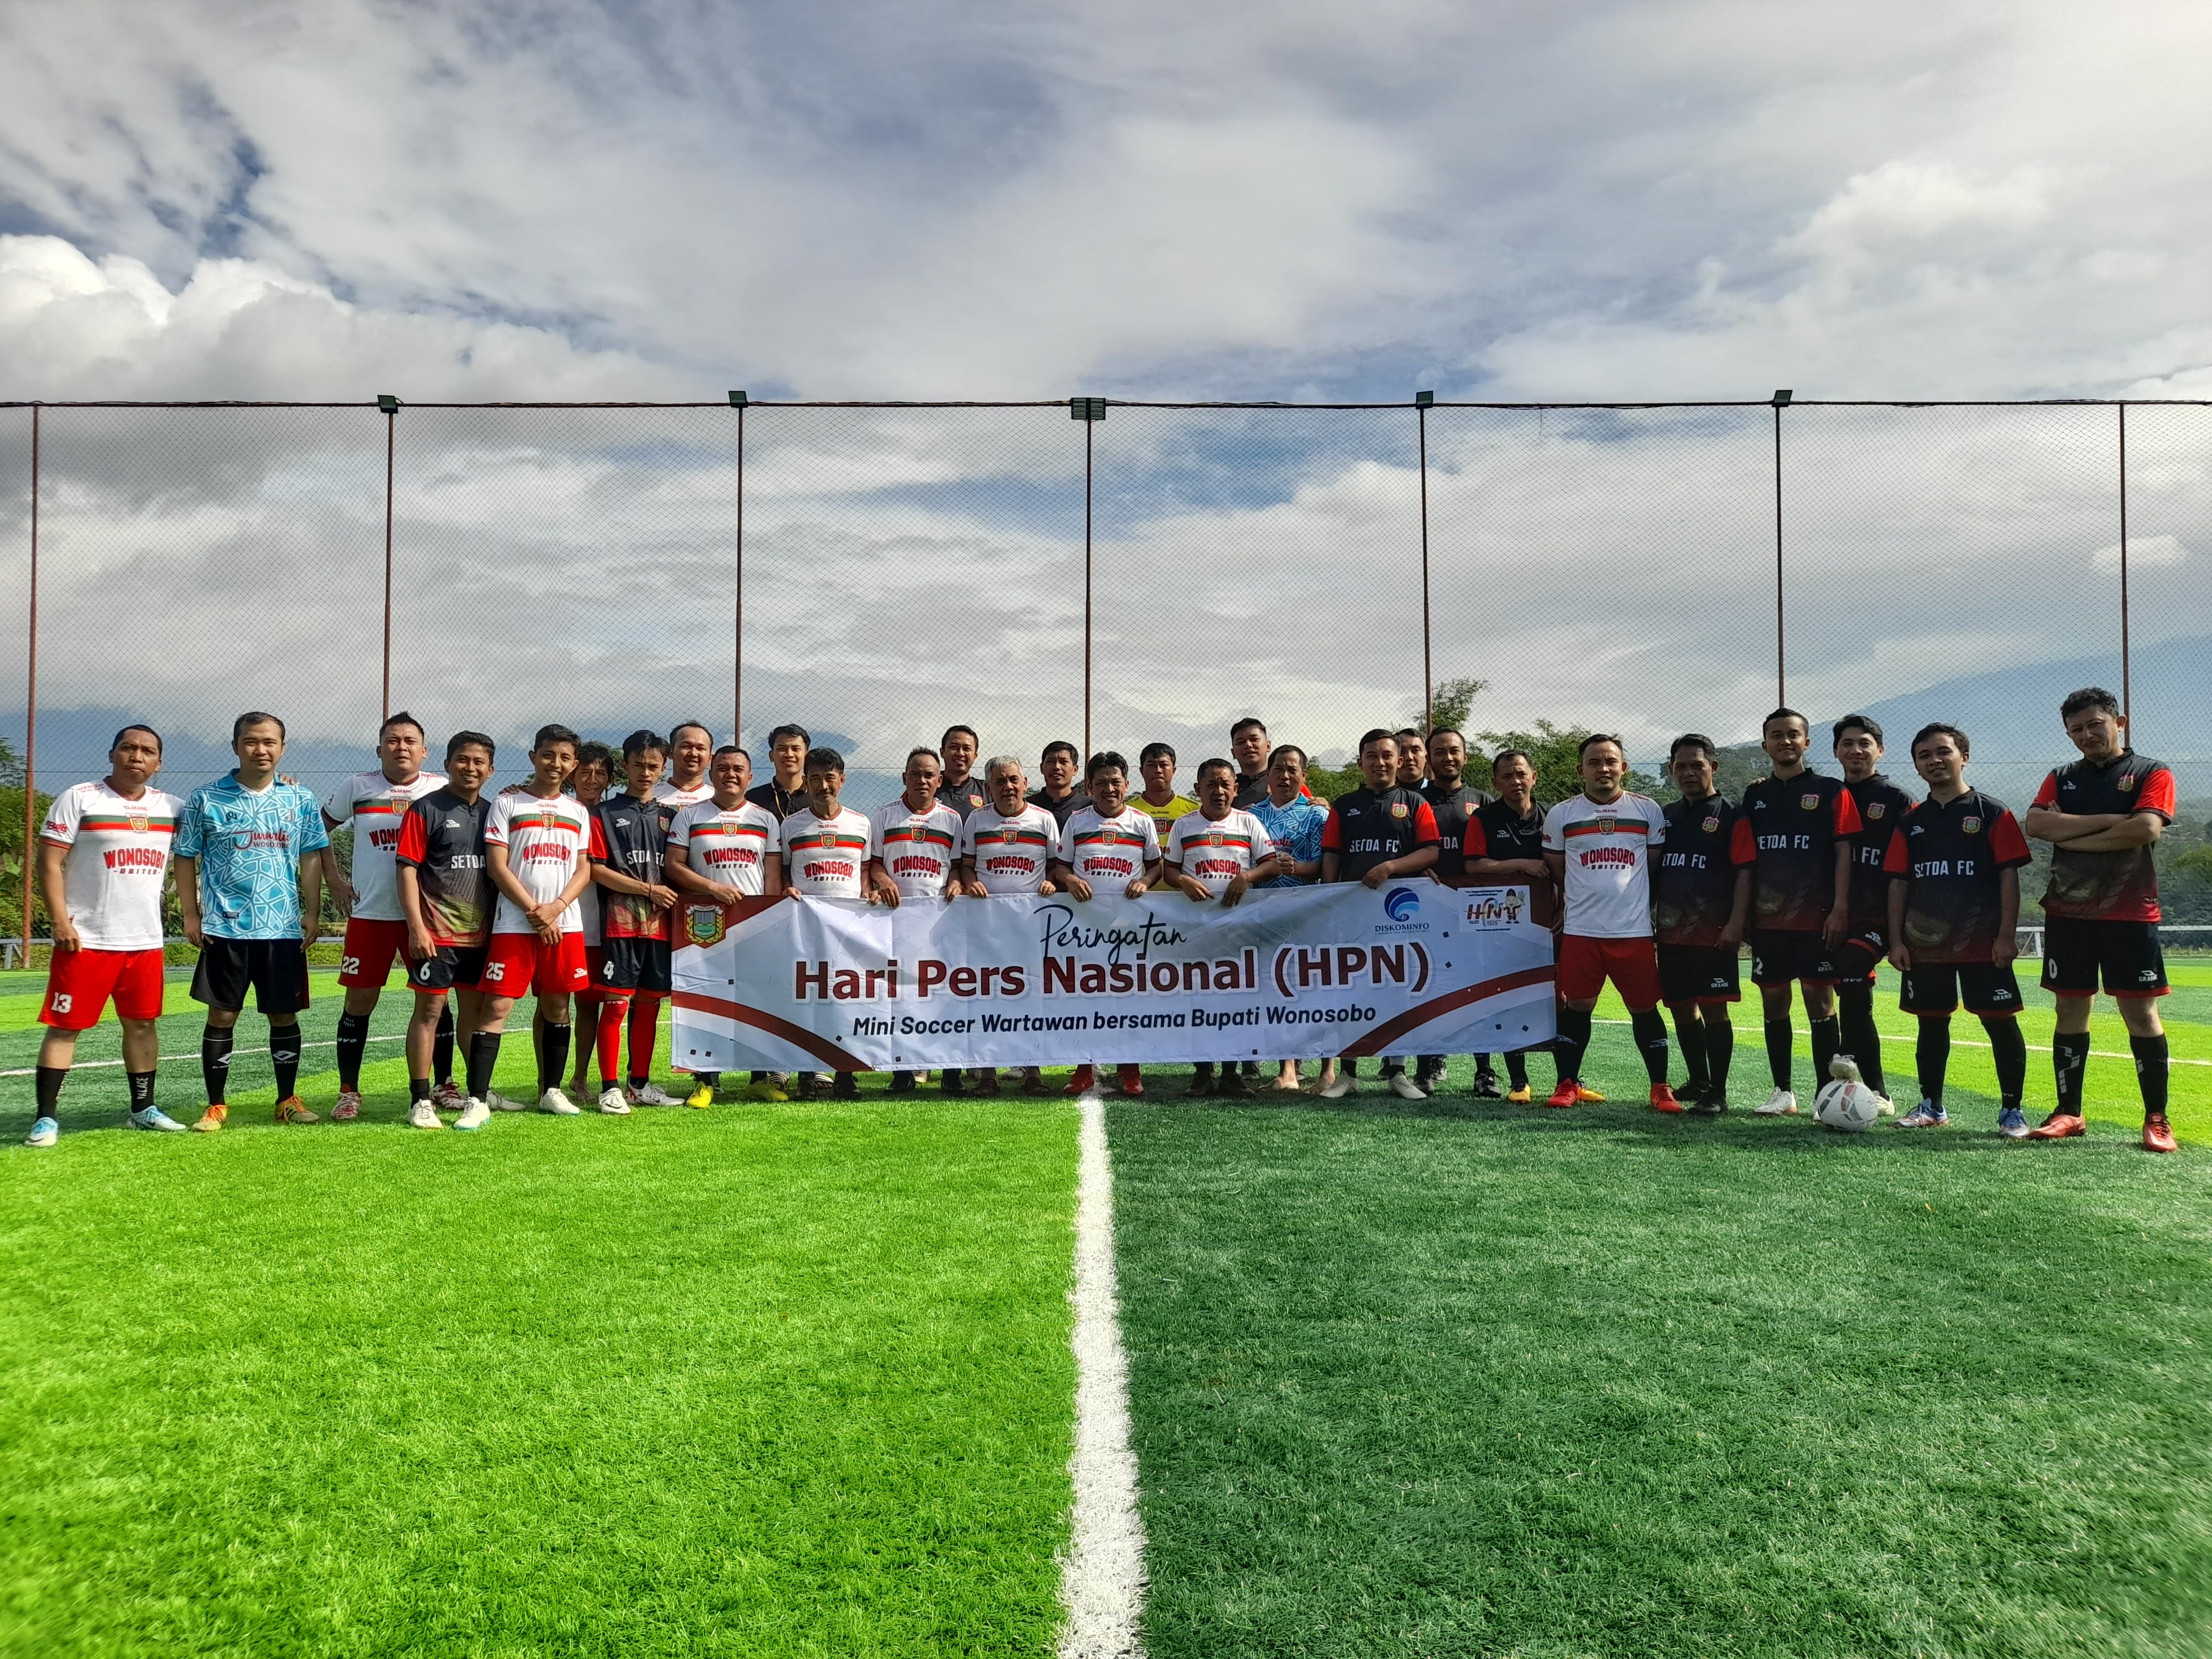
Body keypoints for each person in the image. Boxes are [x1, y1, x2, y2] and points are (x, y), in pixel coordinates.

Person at [2022, 686, 2178, 1151]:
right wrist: (2114, 821)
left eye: (2095, 725)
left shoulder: (2152, 771)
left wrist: (2070, 834)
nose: (2087, 735)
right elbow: (2036, 825)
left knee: (2140, 1013)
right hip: (2068, 911)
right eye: (2077, 729)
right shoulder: (2062, 777)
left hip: (2129, 911)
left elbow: (2145, 828)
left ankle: (2157, 1118)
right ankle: (2069, 1112)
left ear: (2119, 723)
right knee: (2070, 1010)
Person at [26, 725, 190, 1144]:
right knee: (65, 1027)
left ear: (159, 763)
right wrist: (60, 921)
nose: (137, 756)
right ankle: (46, 1118)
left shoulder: (172, 807)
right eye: (128, 748)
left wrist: (281, 783)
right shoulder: (80, 798)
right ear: (112, 754)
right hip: (86, 940)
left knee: (142, 1026)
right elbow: (49, 863)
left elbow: (223, 818)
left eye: (147, 751)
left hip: (144, 941)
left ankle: (143, 1109)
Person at [174, 712, 329, 1131]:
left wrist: (312, 911)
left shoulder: (300, 799)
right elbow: (185, 856)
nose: (260, 750)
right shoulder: (206, 798)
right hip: (225, 928)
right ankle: (216, 1105)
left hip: (282, 928)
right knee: (222, 1016)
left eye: (269, 742)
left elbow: (310, 856)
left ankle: (287, 1100)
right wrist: (191, 913)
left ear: (282, 748)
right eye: (251, 741)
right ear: (236, 746)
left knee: (284, 1015)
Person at [1885, 724, 2033, 1135]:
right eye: (1924, 755)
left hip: (1983, 943)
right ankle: (1931, 1105)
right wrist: (1896, 940)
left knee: (2000, 1022)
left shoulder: (1992, 812)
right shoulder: (1910, 821)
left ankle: (2012, 1111)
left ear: (1963, 757)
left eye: (1943, 752)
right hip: (1925, 946)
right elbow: (1898, 883)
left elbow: (2009, 877)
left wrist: (2007, 936)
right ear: (1917, 766)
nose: (1934, 760)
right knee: (1931, 1023)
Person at [320, 712, 449, 1121]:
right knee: (359, 1002)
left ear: (425, 751)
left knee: (436, 1003)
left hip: (428, 917)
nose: (401, 747)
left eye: (410, 741)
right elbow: (317, 830)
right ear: (380, 749)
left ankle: (444, 1085)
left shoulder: (441, 789)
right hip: (371, 914)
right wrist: (334, 879)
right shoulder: (357, 787)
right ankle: (348, 1092)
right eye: (393, 740)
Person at [1541, 735, 1678, 1112]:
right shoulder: (1562, 814)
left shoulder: (1647, 810)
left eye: (1611, 761)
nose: (1603, 769)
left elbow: (1653, 867)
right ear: (1580, 770)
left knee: (1644, 1008)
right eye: (1594, 762)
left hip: (1633, 932)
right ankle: (1567, 1084)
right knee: (1578, 1006)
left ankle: (1660, 1087)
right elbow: (1557, 868)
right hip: (1582, 932)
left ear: (1624, 767)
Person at [1737, 708, 1861, 1116]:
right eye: (1776, 735)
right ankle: (1782, 1092)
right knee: (1774, 1003)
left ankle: (1824, 1096)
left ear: (1807, 742)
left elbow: (1844, 853)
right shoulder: (1755, 796)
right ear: (1765, 745)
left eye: (1793, 734)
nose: (1785, 741)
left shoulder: (1831, 790)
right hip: (1769, 922)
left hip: (1816, 920)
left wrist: (1840, 908)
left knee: (1820, 1003)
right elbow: (1747, 861)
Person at [471, 724, 593, 1123]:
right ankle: (478, 1099)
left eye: (564, 758)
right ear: (533, 757)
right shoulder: (507, 803)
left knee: (558, 1006)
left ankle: (551, 1092)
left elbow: (583, 870)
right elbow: (497, 867)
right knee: (497, 1007)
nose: (555, 763)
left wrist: (556, 907)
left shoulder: (578, 811)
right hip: (515, 924)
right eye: (548, 755)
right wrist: (535, 912)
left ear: (573, 765)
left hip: (565, 924)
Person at [1317, 730, 1439, 1099]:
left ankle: (1398, 1072)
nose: (1380, 763)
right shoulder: (1344, 806)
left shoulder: (1416, 803)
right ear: (1361, 762)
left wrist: (1390, 867)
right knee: (1351, 990)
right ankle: (1348, 1074)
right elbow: (1332, 856)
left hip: (1401, 914)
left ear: (1399, 761)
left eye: (1387, 756)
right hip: (1353, 913)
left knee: (1399, 990)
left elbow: (1431, 852)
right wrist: (1329, 898)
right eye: (1371, 756)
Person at [666, 745, 785, 1105]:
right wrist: (712, 888)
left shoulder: (766, 819)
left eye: (738, 769)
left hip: (753, 922)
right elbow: (674, 866)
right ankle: (705, 1080)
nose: (730, 774)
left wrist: (770, 918)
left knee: (756, 999)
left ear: (750, 777)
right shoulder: (690, 816)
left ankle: (759, 1078)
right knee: (706, 1000)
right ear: (712, 773)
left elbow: (772, 877)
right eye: (723, 768)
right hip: (705, 921)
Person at [395, 732, 497, 1129]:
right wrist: (416, 927)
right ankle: (420, 1100)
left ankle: (478, 1093)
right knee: (430, 1013)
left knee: (475, 1014)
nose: (470, 768)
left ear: (490, 770)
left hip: (480, 937)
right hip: (436, 936)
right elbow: (407, 869)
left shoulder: (494, 812)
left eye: (479, 762)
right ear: (448, 764)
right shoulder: (426, 809)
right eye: (463, 760)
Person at [1166, 759, 1285, 1097]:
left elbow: (1272, 865)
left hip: (1240, 929)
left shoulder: (1248, 822)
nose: (1218, 791)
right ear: (1198, 790)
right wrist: (1184, 881)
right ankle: (1203, 1073)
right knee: (1199, 1000)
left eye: (1224, 785)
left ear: (1235, 789)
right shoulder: (1184, 825)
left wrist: (1247, 876)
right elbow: (1169, 870)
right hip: (1197, 929)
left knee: (1236, 1000)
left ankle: (1232, 1073)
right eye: (1211, 785)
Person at [1052, 750, 1164, 1100]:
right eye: (1101, 783)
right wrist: (1070, 880)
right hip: (1085, 926)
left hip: (1127, 925)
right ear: (1090, 787)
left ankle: (1130, 1069)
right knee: (1085, 996)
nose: (1109, 789)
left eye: (1115, 782)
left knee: (1127, 997)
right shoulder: (1077, 822)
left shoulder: (1142, 822)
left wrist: (1144, 882)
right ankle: (1084, 1068)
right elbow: (1060, 866)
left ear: (1127, 785)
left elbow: (1156, 866)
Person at [1650, 735, 1752, 1113]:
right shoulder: (1666, 816)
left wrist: (1736, 924)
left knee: (1714, 1010)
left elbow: (1745, 873)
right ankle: (1699, 1081)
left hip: (1713, 934)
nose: (1689, 773)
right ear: (1672, 770)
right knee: (1680, 1007)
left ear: (1714, 767)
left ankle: (1718, 1094)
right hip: (1671, 933)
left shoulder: (1732, 814)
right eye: (1681, 766)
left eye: (1697, 765)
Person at [587, 731, 682, 1113]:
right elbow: (596, 870)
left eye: (653, 766)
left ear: (663, 768)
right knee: (616, 1005)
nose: (645, 772)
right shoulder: (603, 814)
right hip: (620, 923)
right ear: (625, 765)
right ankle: (609, 1088)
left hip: (662, 927)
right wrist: (648, 890)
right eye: (638, 764)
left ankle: (638, 1084)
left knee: (651, 1005)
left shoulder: (672, 817)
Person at [955, 755, 1060, 1095]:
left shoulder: (1044, 820)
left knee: (1031, 997)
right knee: (987, 996)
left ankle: (1033, 1072)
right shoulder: (976, 820)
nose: (1008, 787)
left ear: (1025, 783)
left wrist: (1052, 882)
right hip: (987, 927)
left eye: (1014, 780)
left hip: (1031, 928)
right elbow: (967, 865)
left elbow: (1057, 866)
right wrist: (971, 881)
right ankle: (988, 1073)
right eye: (1000, 782)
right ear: (989, 787)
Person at [780, 747, 879, 1098]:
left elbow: (865, 871)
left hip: (848, 927)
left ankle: (845, 1075)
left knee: (847, 998)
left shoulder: (861, 823)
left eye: (830, 778)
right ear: (806, 782)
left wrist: (868, 893)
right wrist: (787, 889)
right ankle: (807, 1075)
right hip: (806, 927)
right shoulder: (791, 826)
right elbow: (783, 871)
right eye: (816, 778)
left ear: (843, 780)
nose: (824, 785)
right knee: (808, 999)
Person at [1462, 749, 1557, 1103]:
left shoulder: (1553, 816)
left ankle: (1568, 1080)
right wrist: (1521, 864)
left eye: (1521, 774)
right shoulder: (1484, 818)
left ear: (1534, 777)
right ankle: (1520, 1083)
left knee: (1562, 999)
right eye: (1507, 776)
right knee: (1508, 999)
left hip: (1553, 921)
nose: (1515, 781)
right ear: (1495, 783)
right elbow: (1473, 865)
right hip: (1502, 925)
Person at [867, 746, 963, 1093]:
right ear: (904, 778)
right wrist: (883, 881)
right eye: (915, 774)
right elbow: (874, 863)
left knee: (945, 994)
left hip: (940, 921)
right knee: (901, 995)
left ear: (939, 781)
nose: (922, 780)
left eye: (929, 775)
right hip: (897, 921)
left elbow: (957, 866)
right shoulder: (884, 816)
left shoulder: (952, 819)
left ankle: (951, 1073)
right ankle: (903, 1072)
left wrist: (956, 882)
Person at [1832, 714, 1913, 1113]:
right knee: (1854, 994)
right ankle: (1879, 1093)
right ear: (1836, 752)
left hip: (1879, 916)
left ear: (1880, 750)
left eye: (1864, 743)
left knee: (1852, 967)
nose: (1856, 751)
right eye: (1847, 744)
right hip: (1833, 914)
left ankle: (1846, 1052)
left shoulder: (1897, 799)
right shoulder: (1829, 795)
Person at [1248, 744, 1329, 1091]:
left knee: (1316, 989)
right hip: (1265, 915)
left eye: (1292, 770)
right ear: (1268, 775)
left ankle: (1328, 1070)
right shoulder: (1252, 816)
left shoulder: (1317, 815)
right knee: (1277, 989)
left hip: (1307, 913)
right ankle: (1288, 1071)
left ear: (1303, 776)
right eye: (1278, 769)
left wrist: (1297, 868)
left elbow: (1326, 865)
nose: (1284, 776)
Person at [1413, 728, 1485, 1093]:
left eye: (1454, 751)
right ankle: (1425, 1067)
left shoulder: (1482, 801)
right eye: (1439, 752)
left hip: (1476, 910)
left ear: (1465, 756)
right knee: (1428, 986)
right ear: (1429, 759)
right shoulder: (1415, 801)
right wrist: (1415, 869)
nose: (1448, 758)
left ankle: (1485, 1070)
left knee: (1480, 986)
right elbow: (1405, 849)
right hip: (1428, 908)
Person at [556, 739, 614, 1102]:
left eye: (601, 773)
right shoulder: (559, 810)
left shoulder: (610, 816)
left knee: (591, 1006)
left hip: (601, 926)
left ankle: (580, 1078)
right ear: (573, 774)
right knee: (554, 1003)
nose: (593, 779)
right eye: (586, 772)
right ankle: (548, 1081)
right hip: (562, 921)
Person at [1135, 742, 1198, 839]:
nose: (1158, 770)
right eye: (1151, 765)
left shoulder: (1194, 810)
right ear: (1142, 770)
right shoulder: (1128, 810)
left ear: (1174, 770)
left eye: (1163, 765)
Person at [748, 723, 810, 821]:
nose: (789, 755)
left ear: (806, 755)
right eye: (782, 749)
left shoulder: (817, 797)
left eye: (796, 749)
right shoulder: (753, 799)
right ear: (771, 756)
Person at [655, 721, 717, 811]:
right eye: (686, 746)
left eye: (700, 748)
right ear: (671, 752)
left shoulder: (720, 799)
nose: (693, 754)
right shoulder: (649, 796)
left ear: (710, 758)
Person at [1028, 740, 1085, 830]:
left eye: (1063, 762)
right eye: (1051, 761)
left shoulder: (1088, 806)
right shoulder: (1028, 806)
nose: (1056, 767)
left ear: (1075, 770)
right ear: (1042, 768)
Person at [939, 725, 988, 818]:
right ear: (942, 752)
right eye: (954, 747)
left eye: (967, 749)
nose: (960, 754)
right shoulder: (928, 787)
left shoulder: (988, 791)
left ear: (975, 756)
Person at [1229, 718, 1275, 808]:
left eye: (1254, 739)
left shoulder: (1283, 781)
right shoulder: (1228, 788)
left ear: (1268, 746)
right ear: (1234, 753)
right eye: (1240, 742)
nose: (1248, 745)